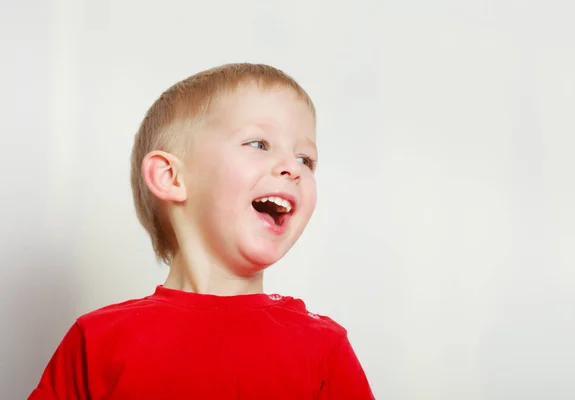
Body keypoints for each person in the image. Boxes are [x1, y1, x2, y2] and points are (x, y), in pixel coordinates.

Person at [29, 63, 374, 399]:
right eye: (259, 144)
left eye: (305, 159)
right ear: (171, 178)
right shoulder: (95, 340)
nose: (292, 169)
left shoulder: (323, 346)